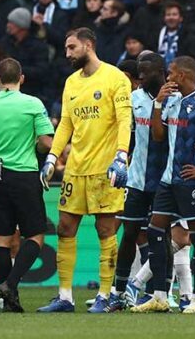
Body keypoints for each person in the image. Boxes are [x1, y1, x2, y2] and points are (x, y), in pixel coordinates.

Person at [38, 28, 132, 313]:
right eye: (66, 49)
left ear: (88, 45)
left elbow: (124, 119)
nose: (67, 54)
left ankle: (105, 295)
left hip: (105, 169)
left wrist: (121, 156)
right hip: (75, 168)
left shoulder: (116, 78)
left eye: (71, 48)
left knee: (106, 229)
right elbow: (66, 123)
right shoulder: (71, 82)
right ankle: (65, 296)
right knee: (65, 227)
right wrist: (53, 157)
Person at [130, 56, 195, 313]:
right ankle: (159, 296)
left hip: (191, 180)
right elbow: (158, 136)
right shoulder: (170, 100)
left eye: (171, 74)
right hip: (168, 180)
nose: (167, 78)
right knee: (155, 232)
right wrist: (158, 104)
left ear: (181, 75)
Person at [0, 57, 54, 312]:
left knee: (3, 239)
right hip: (25, 173)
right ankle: (11, 284)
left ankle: (9, 300)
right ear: (22, 78)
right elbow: (47, 143)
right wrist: (33, 146)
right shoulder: (32, 103)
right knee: (36, 235)